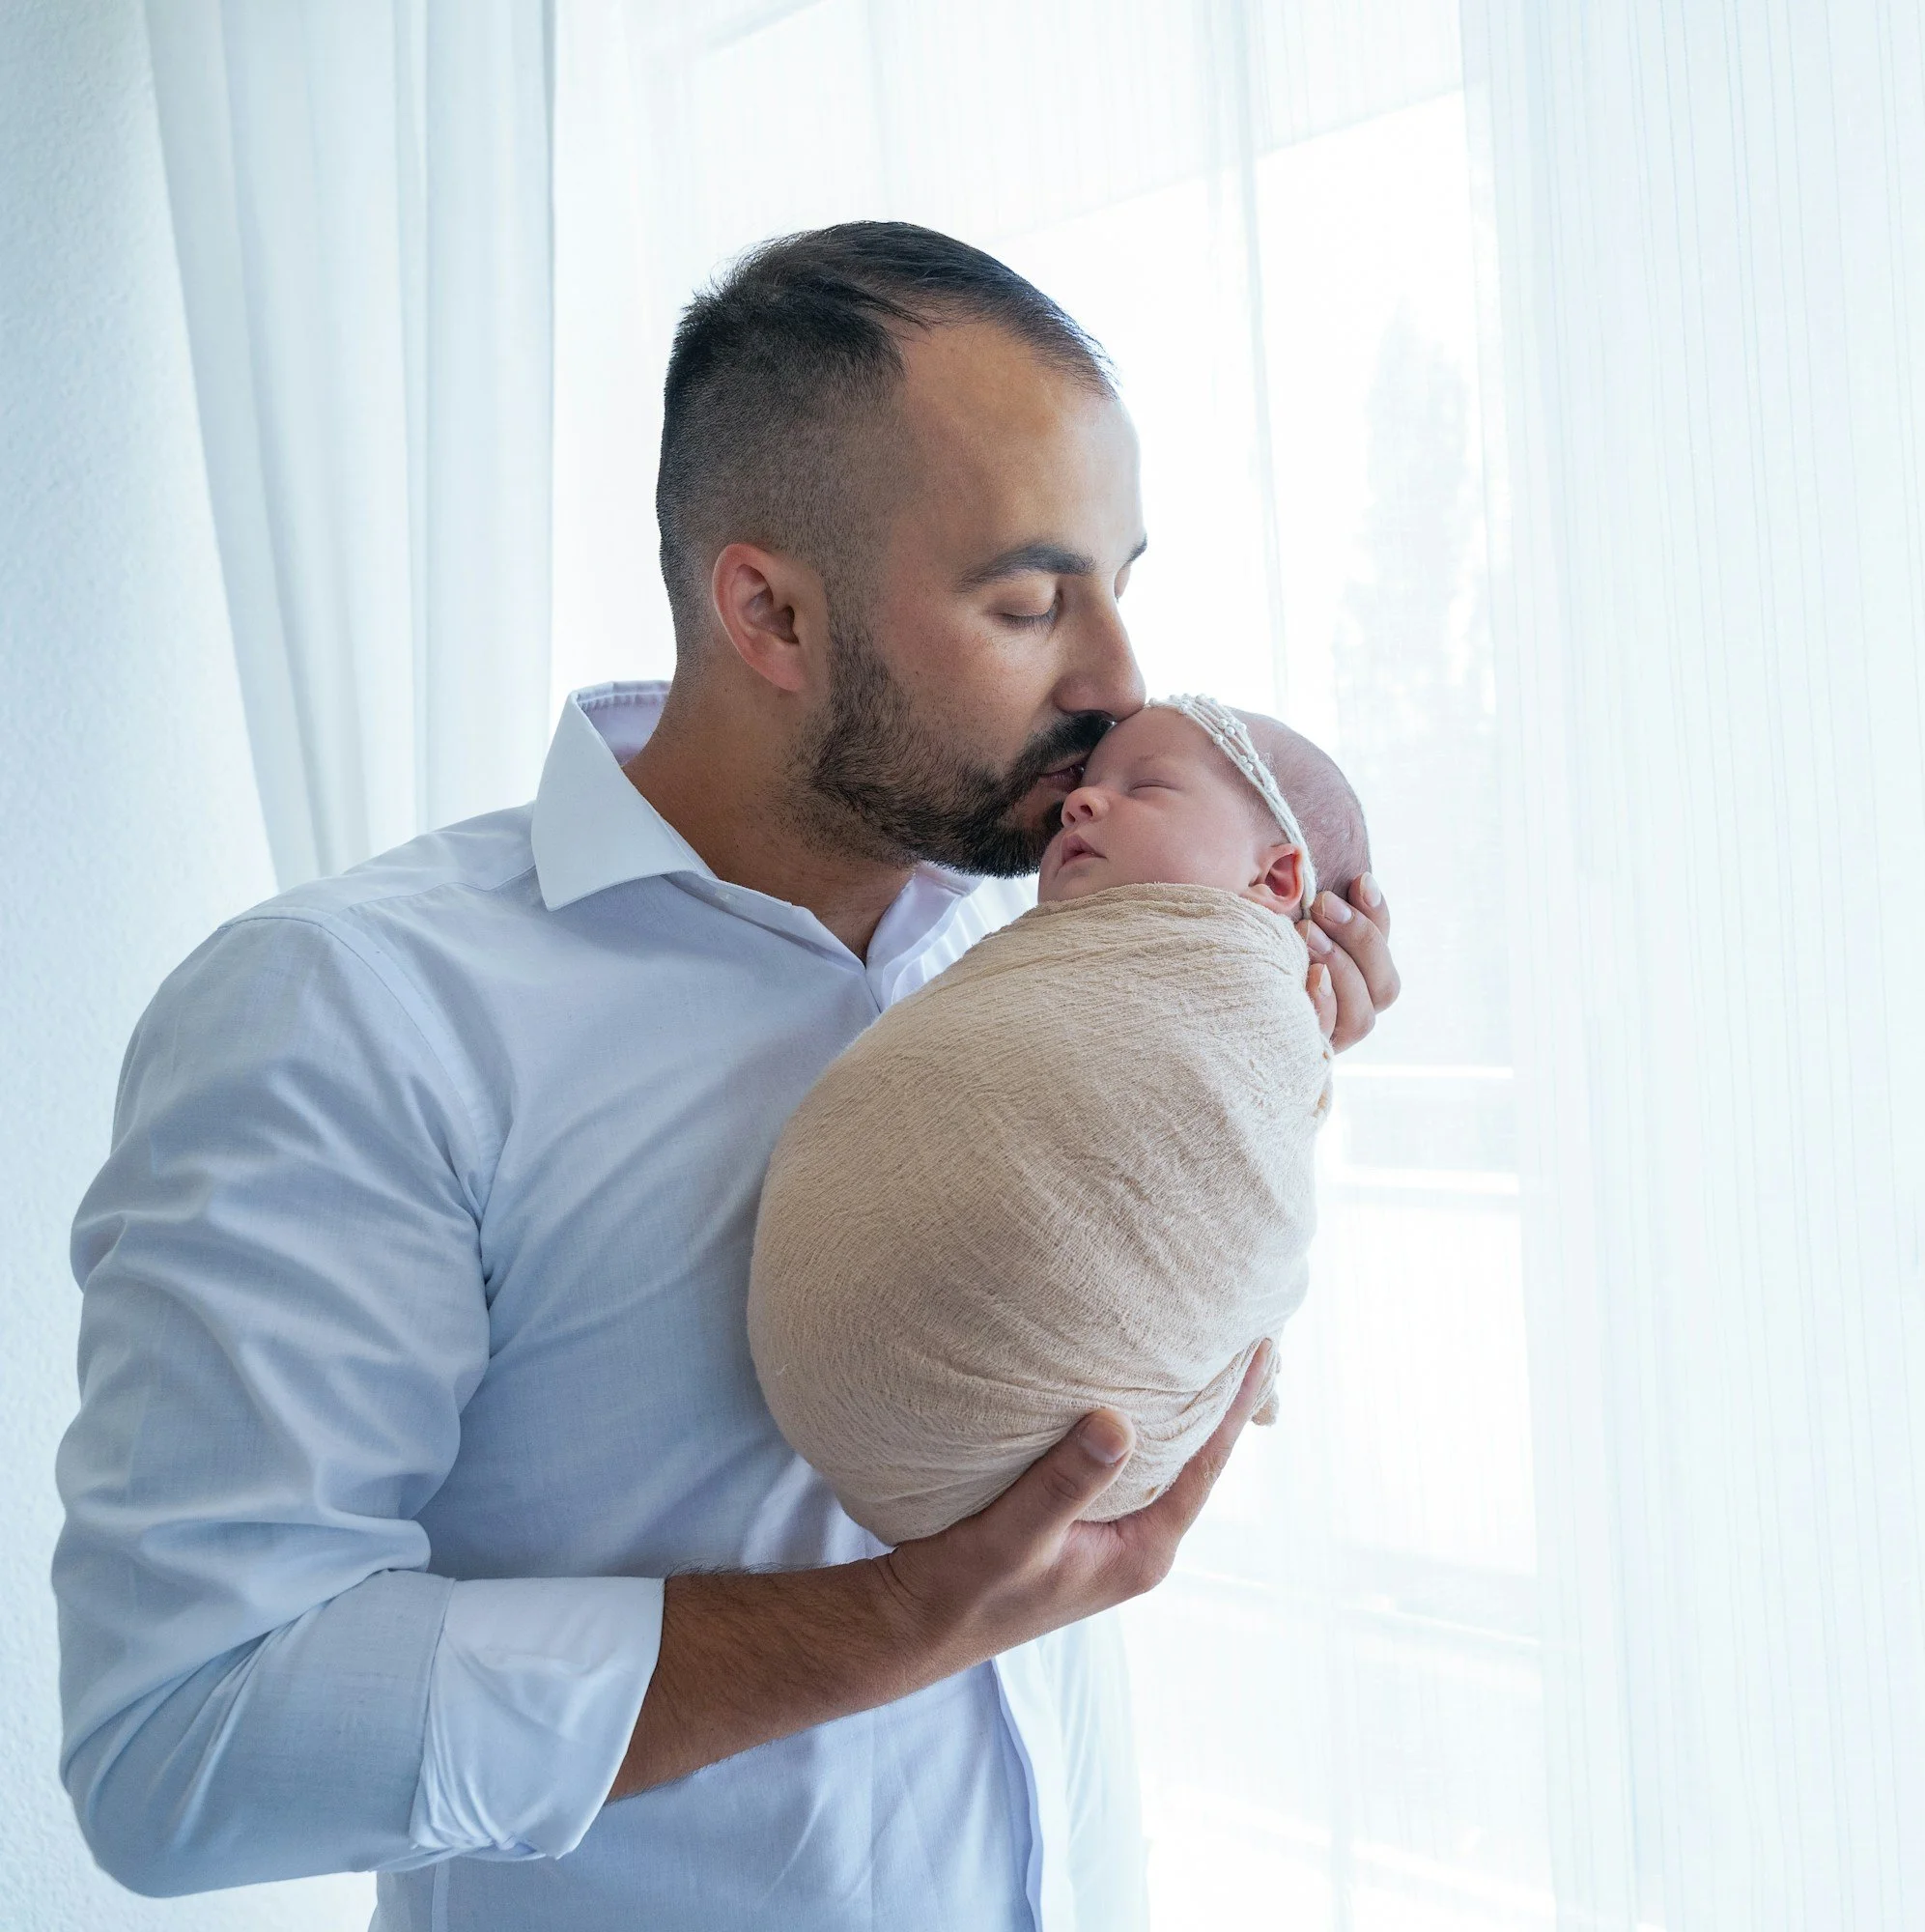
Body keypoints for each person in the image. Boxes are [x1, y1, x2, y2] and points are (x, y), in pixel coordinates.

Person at [52, 223, 1397, 1928]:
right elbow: (182, 1742)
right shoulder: (351, 1015)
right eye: (1030, 597)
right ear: (766, 608)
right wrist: (898, 1622)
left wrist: (1268, 1044)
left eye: (1123, 581)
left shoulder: (1065, 954)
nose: (1123, 681)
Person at [750, 696, 1370, 1548]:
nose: (1080, 802)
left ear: (1275, 880)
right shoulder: (1030, 961)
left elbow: (1217, 1159)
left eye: (1144, 787)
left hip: (1081, 1447)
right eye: (1026, 605)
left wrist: (1304, 1048)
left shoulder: (1245, 1003)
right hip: (845, 1407)